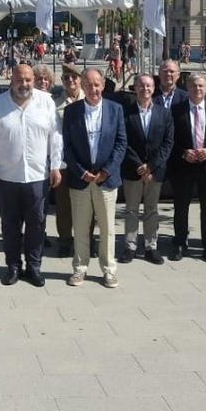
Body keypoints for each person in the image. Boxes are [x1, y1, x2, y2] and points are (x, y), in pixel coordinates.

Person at [0, 64, 63, 287]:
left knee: (37, 224)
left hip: (37, 176)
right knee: (10, 224)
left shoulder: (45, 102)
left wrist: (55, 166)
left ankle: (34, 267)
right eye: (19, 80)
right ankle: (13, 266)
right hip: (6, 177)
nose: (23, 84)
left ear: (33, 80)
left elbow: (55, 137)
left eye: (27, 80)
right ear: (11, 80)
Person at [62, 69, 128, 288]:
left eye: (97, 84)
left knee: (108, 228)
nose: (94, 89)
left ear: (103, 85)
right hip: (80, 180)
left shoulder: (115, 109)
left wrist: (106, 171)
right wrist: (81, 171)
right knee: (80, 228)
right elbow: (67, 147)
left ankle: (109, 269)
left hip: (106, 180)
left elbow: (121, 143)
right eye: (89, 85)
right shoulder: (72, 111)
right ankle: (80, 268)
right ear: (82, 86)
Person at [167, 74, 206, 263]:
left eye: (201, 86)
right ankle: (180, 243)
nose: (197, 89)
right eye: (194, 86)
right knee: (181, 207)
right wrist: (183, 153)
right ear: (187, 88)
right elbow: (169, 139)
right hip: (184, 167)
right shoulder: (176, 111)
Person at [119, 73, 173, 265]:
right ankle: (130, 246)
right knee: (131, 210)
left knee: (151, 210)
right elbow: (123, 141)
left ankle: (151, 247)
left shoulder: (164, 113)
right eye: (141, 86)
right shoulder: (125, 112)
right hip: (132, 170)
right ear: (135, 88)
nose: (145, 89)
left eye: (149, 86)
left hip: (155, 171)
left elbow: (168, 143)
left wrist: (150, 167)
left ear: (154, 88)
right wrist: (139, 165)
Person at [52, 64, 86, 256]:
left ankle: (87, 239)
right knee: (63, 203)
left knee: (87, 204)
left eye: (74, 77)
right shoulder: (55, 103)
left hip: (85, 161)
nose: (70, 81)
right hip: (64, 160)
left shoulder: (90, 99)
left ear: (80, 79)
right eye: (66, 78)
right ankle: (65, 240)